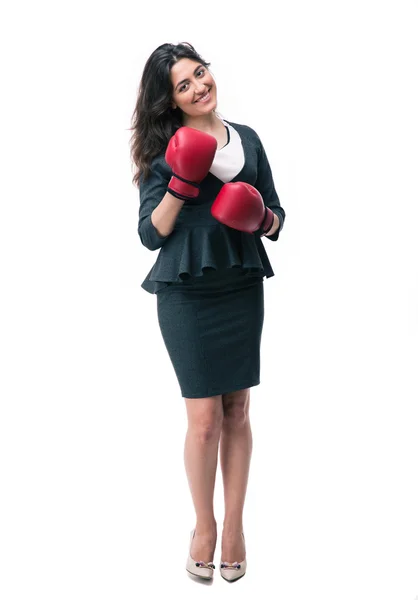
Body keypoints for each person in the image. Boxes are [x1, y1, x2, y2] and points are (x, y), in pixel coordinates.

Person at [129, 42, 286, 582]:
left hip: (240, 282)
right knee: (203, 422)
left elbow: (277, 214)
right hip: (186, 290)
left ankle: (237, 527)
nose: (199, 86)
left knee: (238, 410)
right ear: (171, 101)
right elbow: (151, 233)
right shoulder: (164, 150)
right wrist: (180, 181)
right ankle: (204, 526)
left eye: (200, 73)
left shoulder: (249, 140)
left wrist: (260, 217)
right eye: (184, 84)